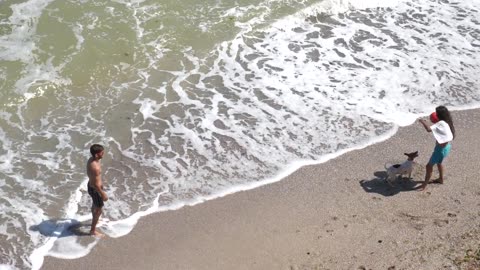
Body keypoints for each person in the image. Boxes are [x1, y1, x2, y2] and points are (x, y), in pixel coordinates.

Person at [418, 106, 455, 191]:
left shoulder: (441, 123)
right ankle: (441, 179)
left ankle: (424, 184)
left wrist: (423, 122)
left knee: (428, 166)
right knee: (439, 163)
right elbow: (438, 127)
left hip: (439, 150)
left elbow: (428, 129)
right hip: (447, 147)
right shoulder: (447, 122)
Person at [87, 144, 108, 237]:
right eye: (102, 153)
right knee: (99, 210)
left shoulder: (92, 160)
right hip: (96, 189)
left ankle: (95, 219)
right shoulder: (95, 167)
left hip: (91, 186)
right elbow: (96, 184)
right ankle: (93, 230)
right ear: (96, 155)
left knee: (94, 205)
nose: (103, 154)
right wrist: (103, 194)